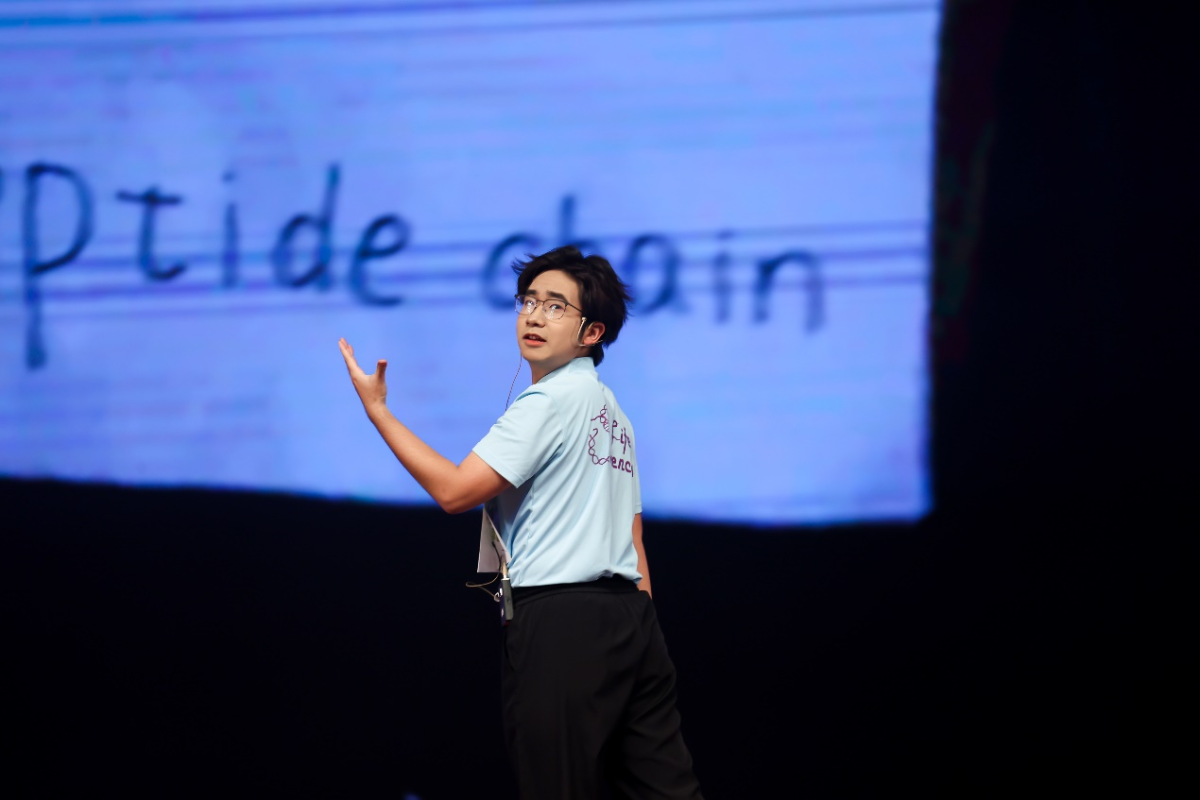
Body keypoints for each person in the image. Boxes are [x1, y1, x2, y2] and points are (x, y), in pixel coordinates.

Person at [338, 245, 702, 799]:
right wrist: (641, 632)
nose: (534, 316)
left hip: (561, 622)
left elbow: (454, 492)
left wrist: (378, 412)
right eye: (529, 301)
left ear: (592, 332)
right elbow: (634, 538)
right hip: (632, 622)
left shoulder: (548, 402)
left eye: (556, 307)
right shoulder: (614, 415)